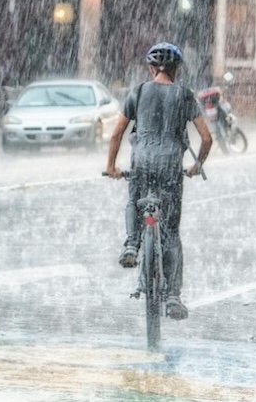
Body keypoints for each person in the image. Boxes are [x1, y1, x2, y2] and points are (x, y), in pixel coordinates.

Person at [105, 42, 213, 321]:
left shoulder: (138, 92)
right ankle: (173, 296)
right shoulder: (185, 95)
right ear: (176, 70)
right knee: (170, 233)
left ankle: (131, 244)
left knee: (134, 199)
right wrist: (196, 165)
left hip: (141, 163)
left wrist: (111, 166)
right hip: (170, 167)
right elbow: (207, 138)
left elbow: (116, 134)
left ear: (151, 68)